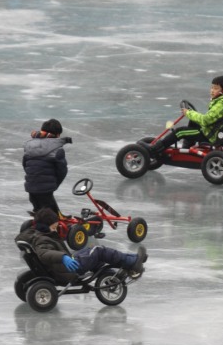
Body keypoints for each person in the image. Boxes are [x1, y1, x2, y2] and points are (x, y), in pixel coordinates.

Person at [15, 208, 147, 285]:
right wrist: (63, 257)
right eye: (54, 227)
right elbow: (44, 254)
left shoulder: (37, 234)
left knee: (89, 251)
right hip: (69, 269)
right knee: (99, 251)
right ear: (45, 226)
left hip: (65, 265)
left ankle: (131, 260)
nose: (55, 230)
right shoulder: (41, 239)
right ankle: (133, 262)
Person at [152, 76, 223, 153]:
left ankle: (155, 149)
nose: (212, 90)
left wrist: (188, 112)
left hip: (210, 135)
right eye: (211, 87)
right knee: (193, 120)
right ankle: (186, 148)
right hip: (216, 130)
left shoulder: (221, 104)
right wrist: (192, 114)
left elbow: (205, 120)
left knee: (179, 132)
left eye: (215, 88)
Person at [22, 118, 72, 214]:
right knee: (51, 216)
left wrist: (33, 178)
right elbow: (62, 170)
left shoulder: (29, 147)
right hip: (46, 189)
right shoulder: (57, 149)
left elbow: (25, 165)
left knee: (39, 212)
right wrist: (54, 184)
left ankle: (37, 226)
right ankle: (47, 227)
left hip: (30, 187)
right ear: (57, 134)